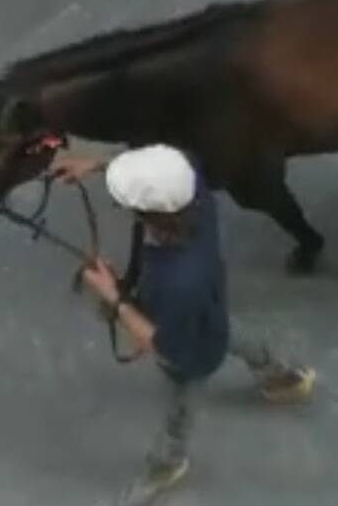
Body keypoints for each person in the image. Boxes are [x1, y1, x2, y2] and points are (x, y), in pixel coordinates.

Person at [50, 144, 317, 504]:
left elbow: (157, 343)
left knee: (183, 401)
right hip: (209, 305)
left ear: (146, 213)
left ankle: (167, 462)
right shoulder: (189, 184)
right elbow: (164, 165)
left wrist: (112, 295)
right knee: (226, 330)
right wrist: (97, 164)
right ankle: (281, 374)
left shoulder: (176, 283)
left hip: (190, 349)